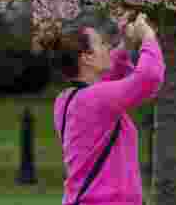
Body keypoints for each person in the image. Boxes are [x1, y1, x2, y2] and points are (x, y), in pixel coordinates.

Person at [51, 13, 165, 205]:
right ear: (86, 57)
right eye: (102, 44)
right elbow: (149, 77)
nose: (107, 47)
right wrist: (148, 36)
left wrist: (126, 46)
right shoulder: (96, 99)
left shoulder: (66, 100)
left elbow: (106, 81)